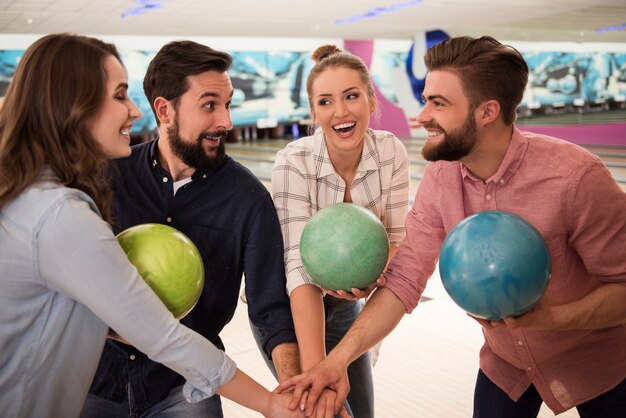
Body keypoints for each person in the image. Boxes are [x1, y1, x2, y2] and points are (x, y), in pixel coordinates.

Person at [278, 36, 626, 418]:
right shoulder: (441, 176)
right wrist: (336, 361)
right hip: (507, 362)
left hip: (600, 365)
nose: (422, 115)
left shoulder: (575, 179)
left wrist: (552, 319)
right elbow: (404, 278)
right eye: (425, 99)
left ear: (487, 111)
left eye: (438, 104)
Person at [0, 33, 304, 418]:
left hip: (182, 385)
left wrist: (292, 390)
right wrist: (270, 405)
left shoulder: (29, 195)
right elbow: (159, 333)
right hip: (93, 382)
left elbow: (269, 310)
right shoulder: (71, 206)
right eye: (120, 95)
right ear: (165, 110)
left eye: (227, 105)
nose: (133, 110)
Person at [267, 44, 409, 418]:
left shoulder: (391, 152)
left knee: (359, 411)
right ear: (314, 112)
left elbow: (396, 243)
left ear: (372, 101)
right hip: (288, 301)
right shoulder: (293, 162)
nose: (341, 111)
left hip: (347, 302)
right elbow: (299, 267)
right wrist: (319, 373)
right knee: (316, 408)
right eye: (326, 102)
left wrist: (372, 274)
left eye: (351, 96)